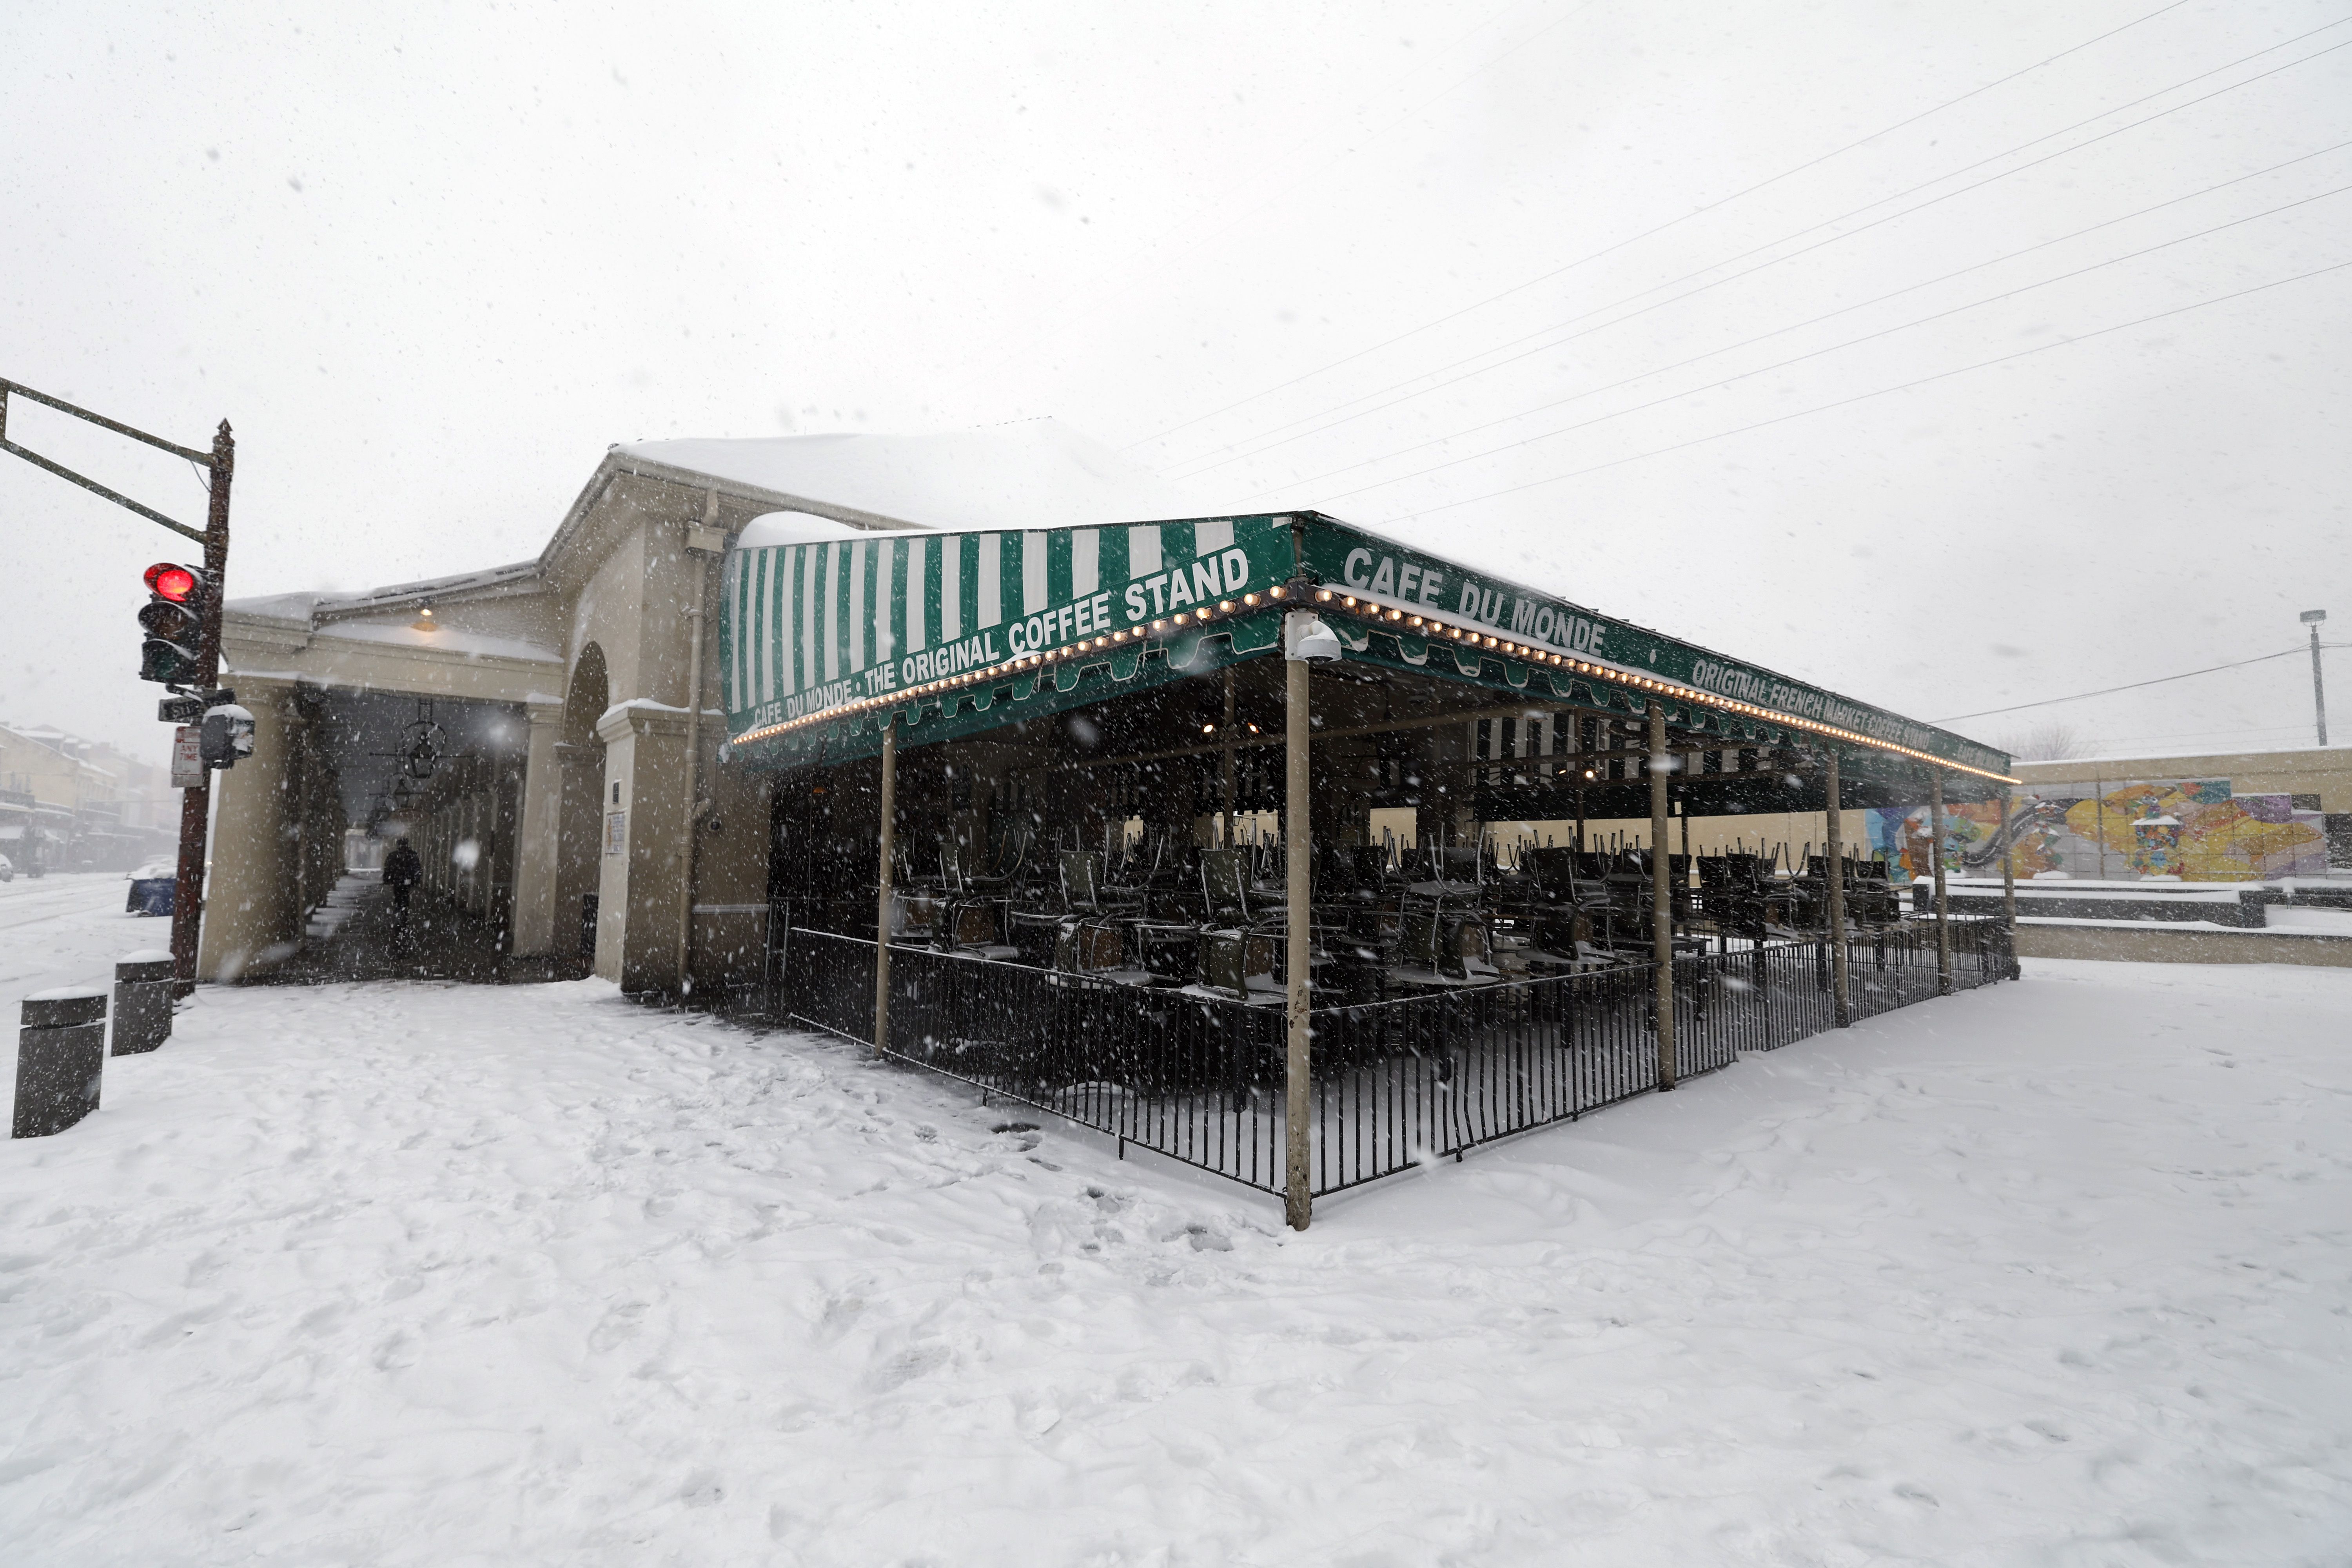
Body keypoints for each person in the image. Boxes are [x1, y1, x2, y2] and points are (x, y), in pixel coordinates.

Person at [382, 836, 423, 917]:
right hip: (406, 878)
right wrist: (416, 878)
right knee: (405, 893)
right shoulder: (411, 855)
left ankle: (399, 908)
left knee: (399, 893)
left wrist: (387, 878)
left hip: (398, 878)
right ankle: (404, 909)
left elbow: (388, 867)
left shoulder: (394, 855)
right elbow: (417, 867)